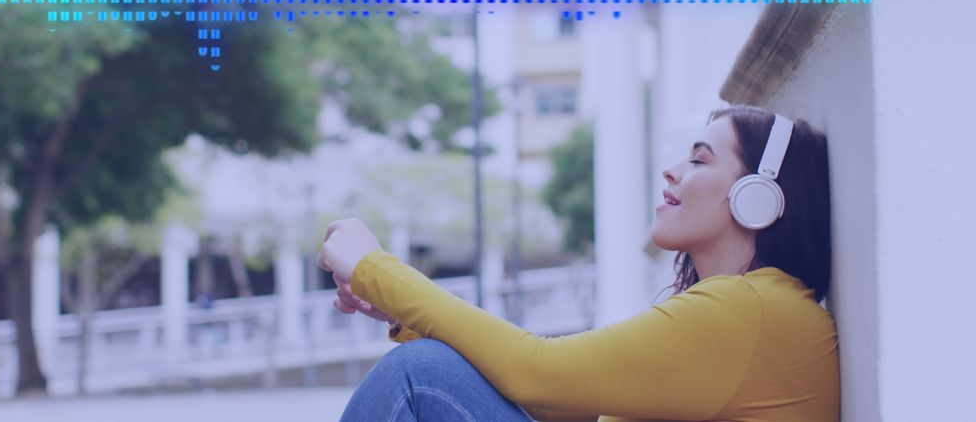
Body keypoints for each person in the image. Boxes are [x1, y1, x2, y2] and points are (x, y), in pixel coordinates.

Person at [317, 104, 838, 421]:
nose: (672, 171)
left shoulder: (751, 310)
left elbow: (534, 370)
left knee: (419, 377)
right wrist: (401, 316)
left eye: (700, 160)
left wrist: (375, 268)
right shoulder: (753, 311)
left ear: (758, 198)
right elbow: (563, 401)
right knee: (426, 369)